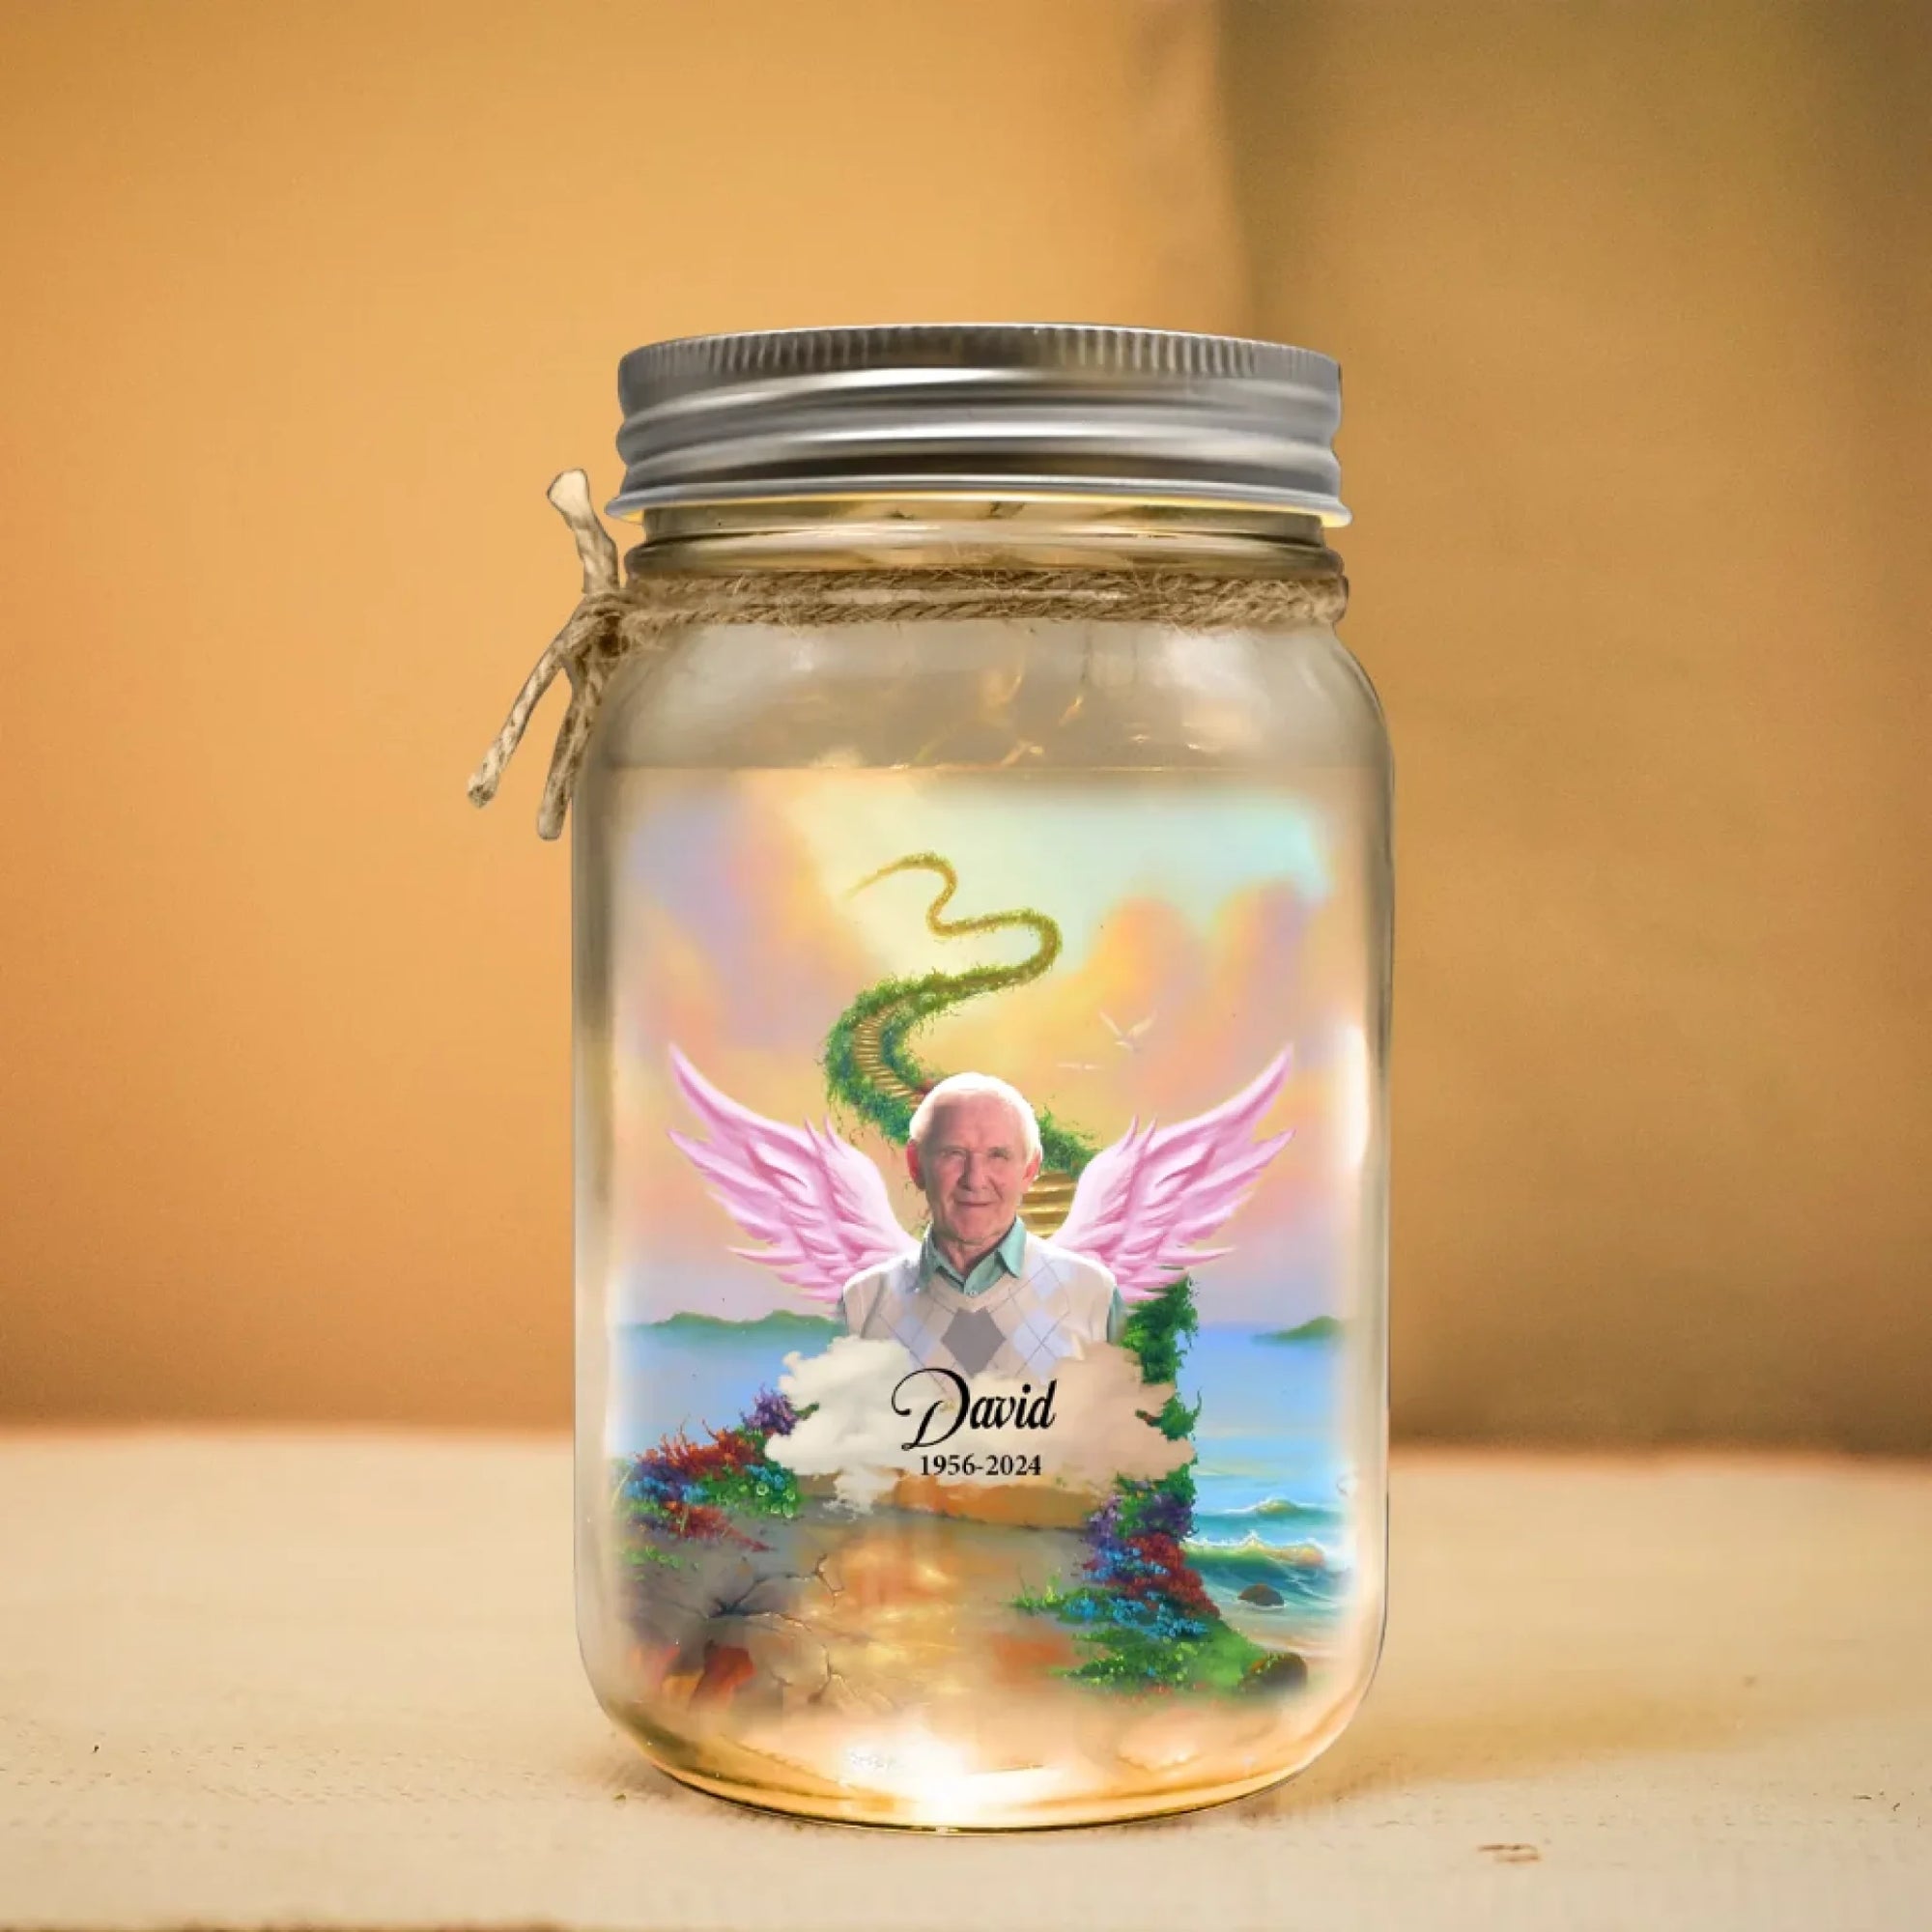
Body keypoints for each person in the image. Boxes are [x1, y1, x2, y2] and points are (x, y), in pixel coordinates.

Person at [840, 1073, 1126, 1378]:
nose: (974, 1180)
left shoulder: (1095, 1297)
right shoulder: (861, 1303)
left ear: (1030, 1170)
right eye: (953, 1153)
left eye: (998, 1155)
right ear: (916, 1164)